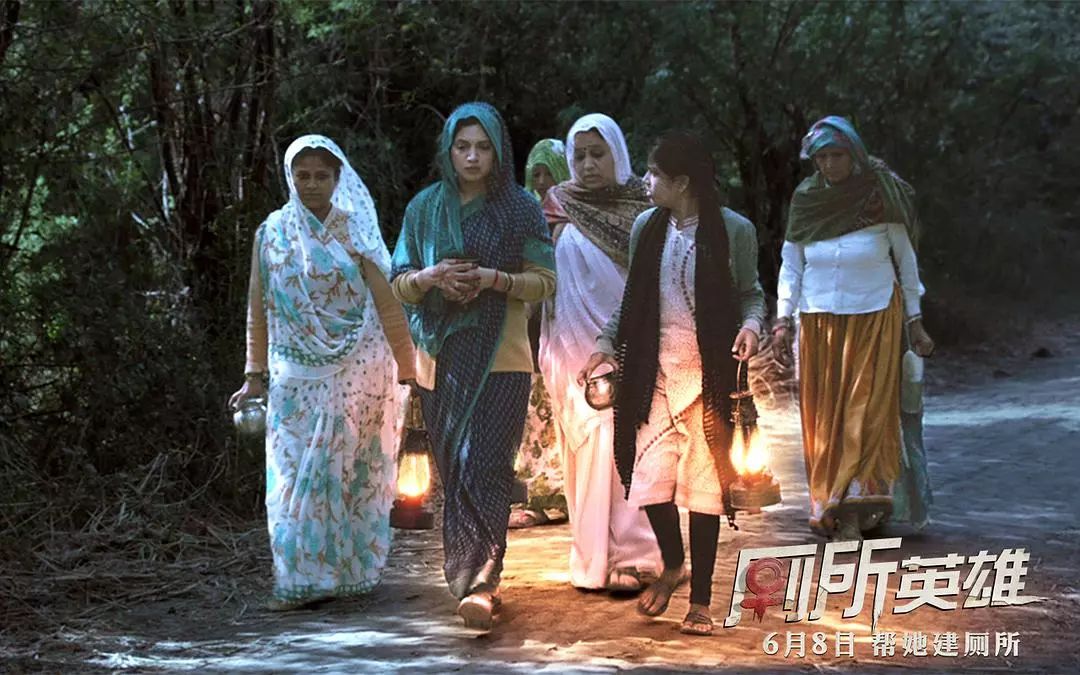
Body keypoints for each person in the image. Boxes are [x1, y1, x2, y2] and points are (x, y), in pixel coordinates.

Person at [579, 131, 766, 636]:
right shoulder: (648, 227)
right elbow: (632, 301)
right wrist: (604, 345)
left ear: (682, 182)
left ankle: (700, 602)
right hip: (653, 374)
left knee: (704, 494)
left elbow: (751, 294)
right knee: (649, 480)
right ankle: (673, 562)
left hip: (708, 379)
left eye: (655, 174)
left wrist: (751, 327)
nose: (646, 181)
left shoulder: (734, 230)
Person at [229, 135, 415, 611]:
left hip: (357, 376)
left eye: (321, 176)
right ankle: (298, 579)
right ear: (290, 178)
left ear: (338, 179)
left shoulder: (355, 232)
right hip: (293, 378)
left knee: (348, 475)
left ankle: (347, 573)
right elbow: (258, 308)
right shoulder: (272, 234)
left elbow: (387, 305)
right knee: (291, 479)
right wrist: (253, 375)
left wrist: (409, 368)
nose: (311, 185)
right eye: (303, 175)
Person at [390, 102, 555, 630]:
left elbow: (544, 281)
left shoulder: (520, 208)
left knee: (487, 463)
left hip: (503, 356)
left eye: (483, 147)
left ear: (499, 151)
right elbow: (399, 282)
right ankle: (465, 570)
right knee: (455, 467)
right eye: (462, 146)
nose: (472, 156)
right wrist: (432, 277)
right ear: (448, 150)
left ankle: (482, 581)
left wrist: (493, 280)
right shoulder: (423, 209)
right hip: (441, 357)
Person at [772, 116, 935, 542]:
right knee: (824, 418)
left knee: (865, 412)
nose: (829, 164)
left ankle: (855, 509)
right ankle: (829, 500)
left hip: (875, 315)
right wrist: (782, 318)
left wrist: (915, 321)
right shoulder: (807, 201)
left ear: (855, 155)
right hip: (818, 321)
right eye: (822, 157)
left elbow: (906, 262)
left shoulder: (881, 195)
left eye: (837, 155)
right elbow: (792, 265)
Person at [538, 113, 660, 592]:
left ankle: (636, 554)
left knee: (628, 440)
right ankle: (592, 556)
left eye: (598, 154)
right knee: (589, 445)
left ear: (618, 154)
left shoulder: (645, 208)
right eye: (580, 156)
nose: (588, 165)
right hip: (570, 349)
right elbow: (543, 277)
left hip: (628, 344)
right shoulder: (558, 205)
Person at [511, 138, 572, 529]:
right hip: (531, 324)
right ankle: (538, 496)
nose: (543, 182)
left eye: (550, 173)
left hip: (570, 325)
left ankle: (567, 496)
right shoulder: (523, 216)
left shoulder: (580, 216)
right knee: (534, 414)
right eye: (536, 174)